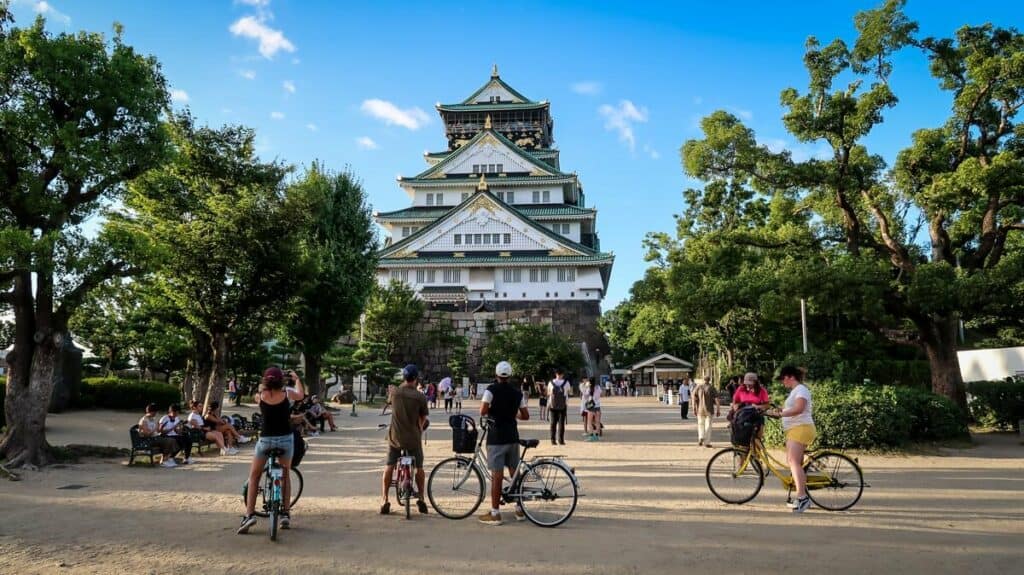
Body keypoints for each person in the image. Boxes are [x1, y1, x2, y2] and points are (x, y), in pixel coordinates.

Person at [238, 367, 305, 534]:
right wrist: (296, 379)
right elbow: (301, 395)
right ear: (281, 380)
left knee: (254, 476)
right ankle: (285, 514)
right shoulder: (287, 393)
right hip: (285, 440)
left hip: (266, 440)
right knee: (285, 476)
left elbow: (260, 391)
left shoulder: (260, 395)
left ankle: (249, 515)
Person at [478, 361, 529, 525]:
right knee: (515, 474)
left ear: (496, 375)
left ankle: (495, 513)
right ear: (509, 375)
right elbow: (525, 415)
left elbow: (483, 411)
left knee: (497, 477)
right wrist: (513, 415)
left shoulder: (491, 390)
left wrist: (494, 411)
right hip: (513, 436)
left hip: (496, 437)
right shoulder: (516, 393)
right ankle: (519, 509)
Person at [380, 364, 429, 515]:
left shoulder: (395, 393)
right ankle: (421, 497)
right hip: (413, 438)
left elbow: (390, 402)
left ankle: (384, 499)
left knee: (389, 465)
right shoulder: (420, 397)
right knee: (419, 467)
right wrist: (420, 428)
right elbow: (423, 418)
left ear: (404, 377)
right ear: (416, 378)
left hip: (395, 437)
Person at [774, 365, 815, 513]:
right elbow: (793, 409)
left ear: (791, 377)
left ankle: (803, 497)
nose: (782, 382)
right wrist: (780, 410)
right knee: (794, 462)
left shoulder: (801, 390)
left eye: (783, 379)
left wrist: (781, 414)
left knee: (793, 462)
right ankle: (800, 495)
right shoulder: (796, 391)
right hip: (796, 429)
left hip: (801, 428)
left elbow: (799, 409)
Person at [138, 403, 180, 467]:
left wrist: (160, 427)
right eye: (155, 412)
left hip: (155, 438)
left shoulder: (152, 419)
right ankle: (164, 461)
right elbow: (147, 434)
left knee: (172, 440)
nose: (156, 414)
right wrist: (155, 429)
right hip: (149, 440)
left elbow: (157, 431)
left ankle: (166, 459)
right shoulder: (144, 420)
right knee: (169, 441)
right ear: (152, 412)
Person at [691, 379, 720, 447]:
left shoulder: (698, 387)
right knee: (708, 426)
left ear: (703, 380)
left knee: (700, 424)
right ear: (709, 380)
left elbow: (693, 398)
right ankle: (707, 442)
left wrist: (694, 408)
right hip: (709, 410)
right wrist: (718, 410)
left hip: (700, 409)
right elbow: (716, 399)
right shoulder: (712, 388)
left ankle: (701, 437)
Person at [547, 368, 570, 445]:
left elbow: (549, 393)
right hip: (563, 406)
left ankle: (553, 440)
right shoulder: (566, 383)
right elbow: (568, 392)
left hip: (552, 405)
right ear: (562, 374)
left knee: (553, 423)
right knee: (561, 424)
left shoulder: (551, 383)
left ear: (555, 374)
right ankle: (561, 440)